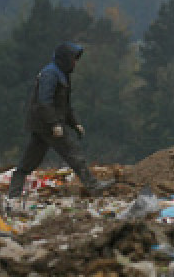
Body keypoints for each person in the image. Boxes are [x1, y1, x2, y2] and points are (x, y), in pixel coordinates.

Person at [8, 42, 113, 198]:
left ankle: (13, 195)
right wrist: (54, 124)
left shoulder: (61, 74)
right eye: (73, 59)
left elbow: (65, 105)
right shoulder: (50, 74)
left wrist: (75, 123)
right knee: (73, 152)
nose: (75, 63)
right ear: (65, 58)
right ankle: (93, 185)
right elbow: (44, 102)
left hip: (43, 124)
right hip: (47, 125)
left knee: (28, 163)